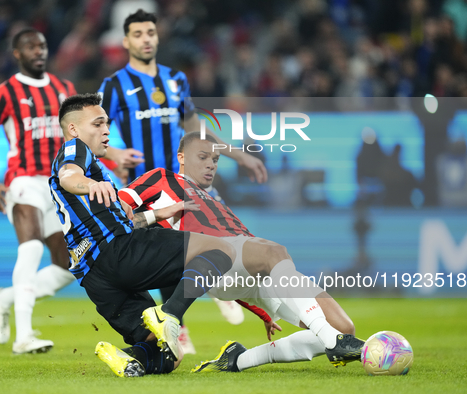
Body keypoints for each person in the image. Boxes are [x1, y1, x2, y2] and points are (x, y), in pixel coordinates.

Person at [116, 131, 365, 373]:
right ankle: (333, 341)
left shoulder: (214, 197)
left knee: (345, 327)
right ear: (181, 157)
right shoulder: (162, 178)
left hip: (250, 267)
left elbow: (243, 263)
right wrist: (157, 214)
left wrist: (261, 311)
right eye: (202, 157)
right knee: (274, 251)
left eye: (215, 160)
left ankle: (239, 359)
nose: (210, 165)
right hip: (216, 257)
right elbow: (118, 214)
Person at [97, 8, 255, 349]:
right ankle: (182, 324)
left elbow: (194, 126)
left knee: (212, 237)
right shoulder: (113, 86)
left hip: (182, 181)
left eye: (150, 33)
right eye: (138, 34)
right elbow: (95, 131)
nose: (146, 39)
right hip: (144, 188)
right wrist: (115, 155)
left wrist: (235, 152)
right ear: (126, 41)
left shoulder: (176, 80)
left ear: (158, 36)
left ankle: (210, 296)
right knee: (167, 257)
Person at [50, 93, 237, 377]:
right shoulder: (76, 150)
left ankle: (128, 359)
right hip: (119, 252)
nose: (106, 131)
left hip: (95, 277)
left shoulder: (97, 170)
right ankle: (169, 313)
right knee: (221, 250)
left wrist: (158, 215)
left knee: (167, 353)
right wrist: (87, 184)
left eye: (107, 124)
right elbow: (68, 176)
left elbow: (123, 220)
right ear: (74, 128)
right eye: (98, 124)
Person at [0, 28, 77, 354]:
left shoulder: (65, 89)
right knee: (30, 250)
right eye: (30, 47)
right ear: (17, 53)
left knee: (70, 267)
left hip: (58, 186)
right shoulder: (4, 92)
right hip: (23, 181)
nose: (38, 51)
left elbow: (78, 138)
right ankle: (24, 336)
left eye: (42, 45)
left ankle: (3, 298)